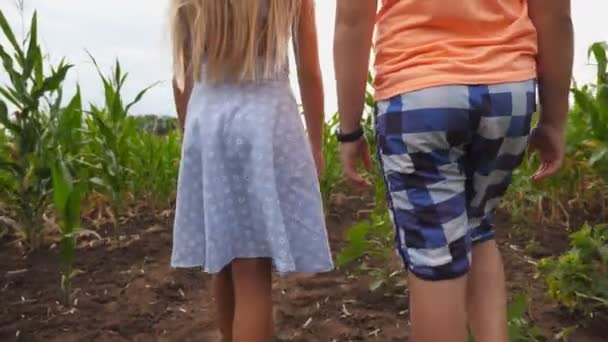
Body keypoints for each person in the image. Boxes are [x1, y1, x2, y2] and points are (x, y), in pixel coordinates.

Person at [333, 0, 573, 341]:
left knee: (435, 258)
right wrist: (554, 120)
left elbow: (352, 21)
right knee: (479, 227)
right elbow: (555, 14)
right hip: (507, 90)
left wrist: (350, 130)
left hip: (419, 90)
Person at [169, 1, 333, 341]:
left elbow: (181, 74)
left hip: (206, 118)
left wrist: (191, 139)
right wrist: (315, 144)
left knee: (224, 261)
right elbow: (310, 71)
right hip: (264, 120)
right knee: (253, 272)